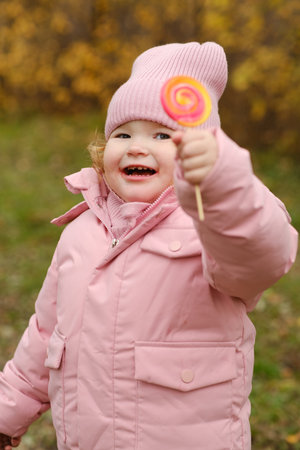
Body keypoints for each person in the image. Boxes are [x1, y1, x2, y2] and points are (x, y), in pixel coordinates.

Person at [0, 42, 298, 450]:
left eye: (162, 135)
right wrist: (7, 411)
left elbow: (260, 254)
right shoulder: (82, 231)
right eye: (123, 134)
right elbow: (47, 333)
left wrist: (224, 183)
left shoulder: (210, 225)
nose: (137, 146)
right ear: (104, 151)